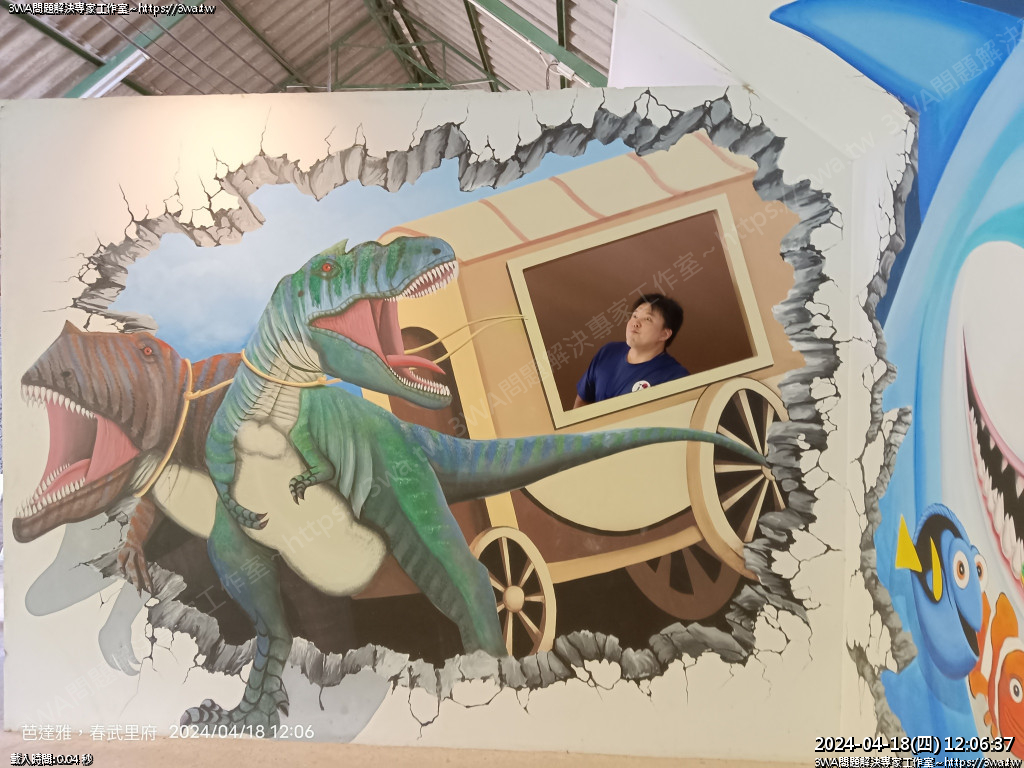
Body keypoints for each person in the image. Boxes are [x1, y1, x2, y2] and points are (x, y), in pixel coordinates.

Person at [573, 294, 689, 408]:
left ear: (664, 334)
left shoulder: (676, 377)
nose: (635, 323)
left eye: (648, 319)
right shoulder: (608, 352)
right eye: (635, 316)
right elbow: (583, 399)